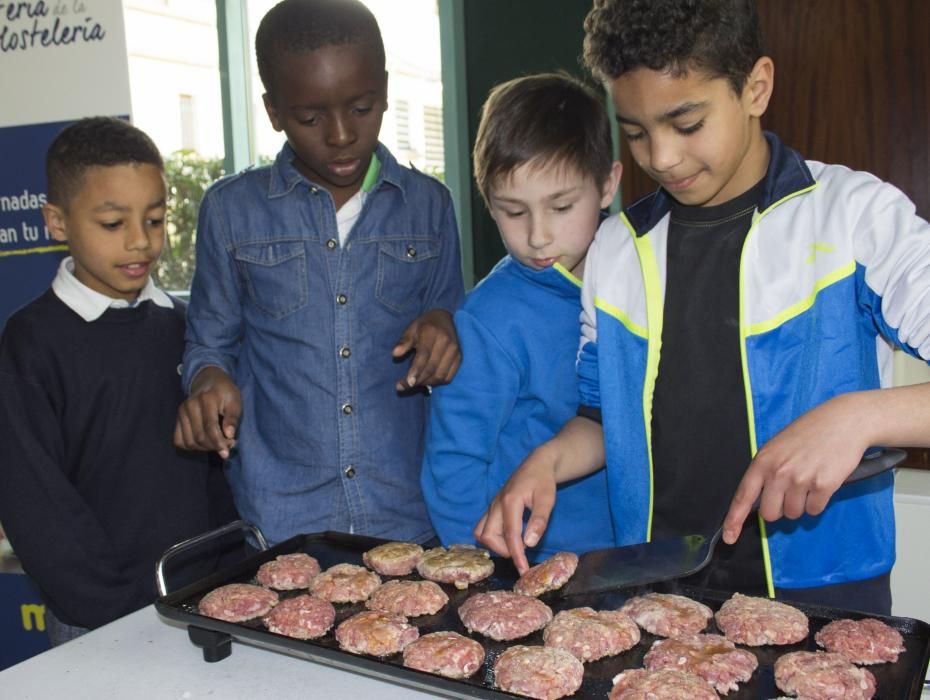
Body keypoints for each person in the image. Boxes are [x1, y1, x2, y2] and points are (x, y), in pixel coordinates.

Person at [475, 0, 930, 614]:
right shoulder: (617, 249)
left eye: (686, 123)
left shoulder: (855, 217)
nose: (660, 156)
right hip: (658, 589)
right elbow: (604, 420)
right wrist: (547, 461)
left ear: (756, 87)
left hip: (827, 591)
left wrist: (859, 417)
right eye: (635, 131)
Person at [175, 0, 464, 547]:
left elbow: (452, 320)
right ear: (274, 111)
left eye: (361, 108)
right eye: (310, 118)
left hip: (407, 511)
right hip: (282, 517)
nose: (339, 135)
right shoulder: (231, 211)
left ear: (383, 87)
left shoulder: (429, 206)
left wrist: (446, 327)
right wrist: (208, 381)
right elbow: (209, 344)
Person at [0, 117, 235, 645]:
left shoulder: (182, 325)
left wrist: (224, 574)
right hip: (96, 620)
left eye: (155, 219)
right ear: (56, 222)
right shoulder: (30, 342)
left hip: (202, 600)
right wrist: (122, 608)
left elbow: (213, 477)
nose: (140, 242)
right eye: (112, 223)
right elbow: (35, 505)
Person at [422, 73, 622, 559]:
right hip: (528, 568)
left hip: (632, 553)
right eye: (514, 211)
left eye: (561, 207)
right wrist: (479, 573)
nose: (538, 236)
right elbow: (454, 464)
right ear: (488, 202)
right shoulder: (490, 320)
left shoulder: (635, 276)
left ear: (608, 185)